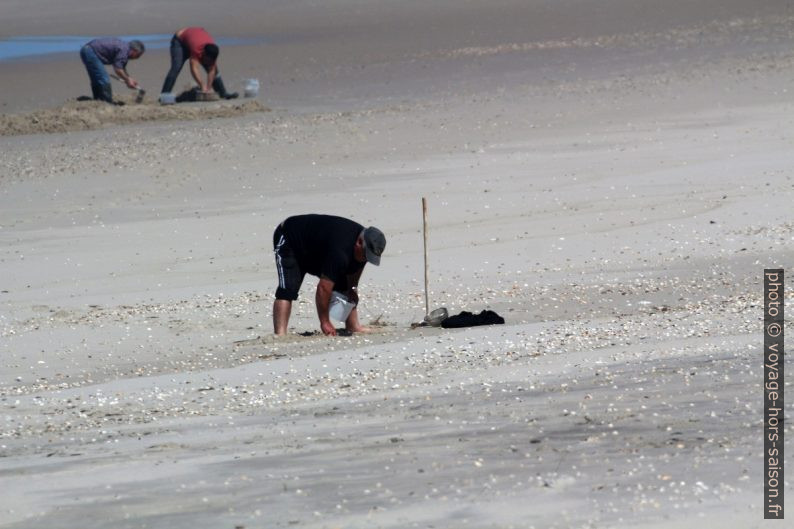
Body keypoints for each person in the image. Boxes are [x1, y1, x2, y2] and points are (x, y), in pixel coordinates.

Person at [272, 214, 386, 336]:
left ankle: (353, 326)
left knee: (344, 286)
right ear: (359, 242)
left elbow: (357, 268)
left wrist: (353, 288)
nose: (366, 259)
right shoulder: (340, 252)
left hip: (317, 248)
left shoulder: (364, 245)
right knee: (288, 289)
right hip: (290, 239)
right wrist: (325, 322)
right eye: (365, 255)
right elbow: (323, 288)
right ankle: (280, 334)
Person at [160, 27, 238, 99]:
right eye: (207, 60)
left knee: (215, 69)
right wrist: (202, 85)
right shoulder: (197, 49)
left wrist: (208, 88)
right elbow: (194, 68)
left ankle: (223, 93)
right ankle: (164, 96)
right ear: (203, 53)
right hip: (179, 41)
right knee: (176, 67)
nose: (207, 63)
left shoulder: (212, 51)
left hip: (194, 38)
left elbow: (212, 70)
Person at [80, 38, 144, 103]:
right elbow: (118, 69)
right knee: (103, 78)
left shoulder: (125, 48)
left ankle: (98, 100)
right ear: (134, 51)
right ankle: (106, 102)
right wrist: (127, 80)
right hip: (90, 51)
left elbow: (122, 68)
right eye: (138, 55)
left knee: (96, 78)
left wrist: (129, 79)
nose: (137, 58)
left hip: (87, 50)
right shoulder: (124, 50)